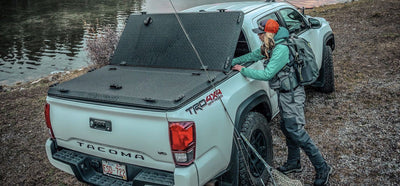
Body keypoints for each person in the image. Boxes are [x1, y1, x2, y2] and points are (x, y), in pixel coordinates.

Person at [232, 19, 332, 186]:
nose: (259, 36)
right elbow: (254, 55)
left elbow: (267, 74)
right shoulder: (270, 46)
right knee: (287, 127)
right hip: (285, 94)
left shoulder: (281, 50)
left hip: (292, 95)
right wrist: (233, 61)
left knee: (296, 131)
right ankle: (294, 163)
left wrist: (243, 70)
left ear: (269, 34)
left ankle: (323, 168)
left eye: (261, 33)